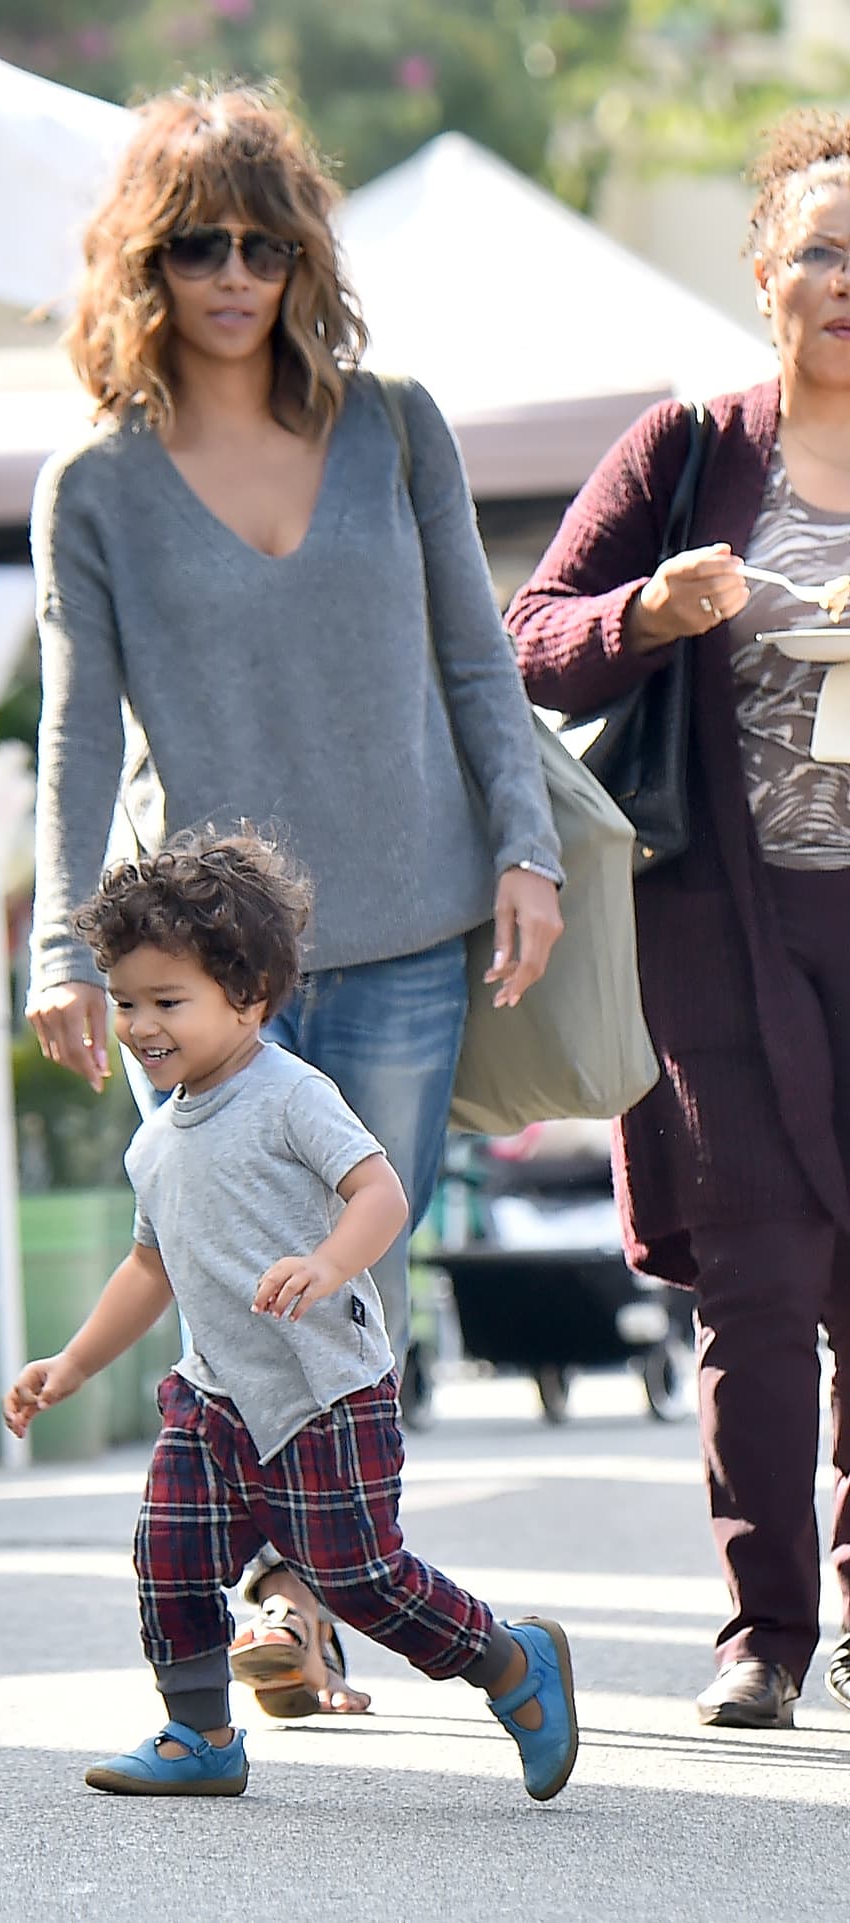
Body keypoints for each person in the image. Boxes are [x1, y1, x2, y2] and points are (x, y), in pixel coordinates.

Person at [24, 80, 564, 1716]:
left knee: (352, 1285)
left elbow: (481, 656)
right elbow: (73, 728)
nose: (237, 271)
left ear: (303, 253)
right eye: (200, 243)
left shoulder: (395, 424)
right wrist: (64, 941)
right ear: (149, 263)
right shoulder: (98, 485)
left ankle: (307, 1591)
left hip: (404, 921)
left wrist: (524, 846)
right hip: (195, 966)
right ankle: (290, 1600)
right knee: (215, 1270)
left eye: (267, 239)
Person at [506, 108, 850, 1730]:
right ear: (764, 274)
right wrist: (652, 607)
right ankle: (766, 1630)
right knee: (763, 1277)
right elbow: (530, 638)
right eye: (824, 252)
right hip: (723, 928)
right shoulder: (690, 451)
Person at [4, 832, 579, 1800]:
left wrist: (324, 1262)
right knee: (170, 1556)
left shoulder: (287, 1095)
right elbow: (148, 1267)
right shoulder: (155, 1140)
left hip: (323, 1394)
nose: (141, 1026)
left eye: (168, 1002)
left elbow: (381, 1194)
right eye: (129, 1001)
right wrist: (71, 1363)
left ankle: (507, 1661)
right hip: (215, 1397)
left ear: (251, 995)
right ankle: (198, 1736)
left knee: (361, 1581)